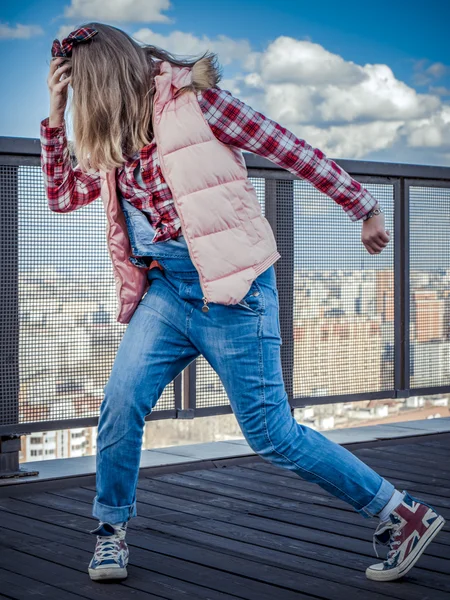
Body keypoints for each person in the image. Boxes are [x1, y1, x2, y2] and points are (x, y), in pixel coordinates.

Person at [41, 23, 445, 584]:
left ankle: (399, 513)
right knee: (120, 404)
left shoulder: (196, 102)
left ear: (106, 79)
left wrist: (364, 205)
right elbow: (61, 197)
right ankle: (110, 533)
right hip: (167, 290)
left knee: (272, 434)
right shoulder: (110, 134)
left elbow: (287, 146)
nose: (84, 101)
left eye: (82, 89)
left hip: (233, 293)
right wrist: (55, 112)